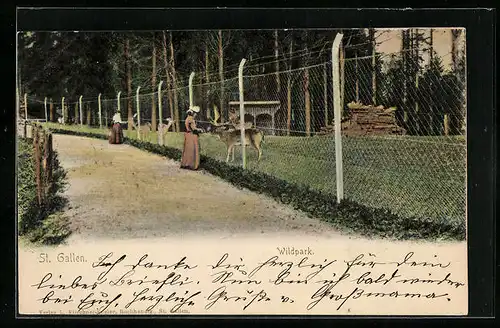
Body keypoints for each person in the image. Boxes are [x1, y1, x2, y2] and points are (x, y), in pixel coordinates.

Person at [180, 106, 202, 170]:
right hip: (192, 136)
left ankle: (186, 163)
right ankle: (194, 165)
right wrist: (200, 130)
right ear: (193, 113)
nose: (196, 115)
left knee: (187, 150)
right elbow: (194, 129)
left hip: (187, 135)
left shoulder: (187, 118)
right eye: (196, 113)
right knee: (194, 150)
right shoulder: (191, 120)